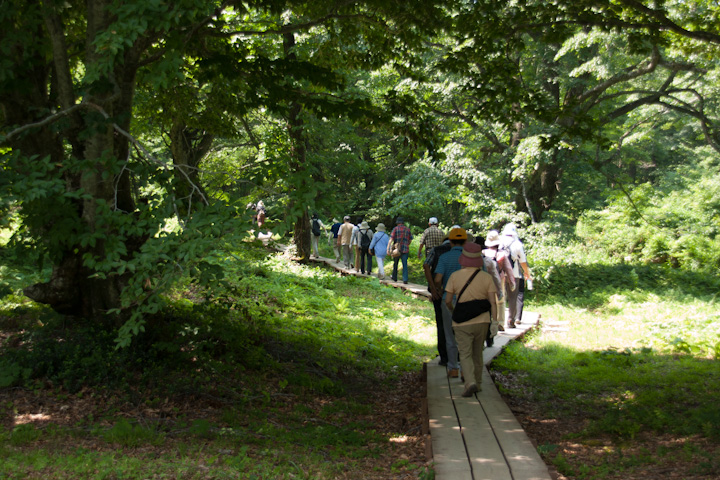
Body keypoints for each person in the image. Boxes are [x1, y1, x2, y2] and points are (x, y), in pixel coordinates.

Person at [444, 242, 498, 397]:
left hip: (462, 322)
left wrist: (453, 310)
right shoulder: (486, 277)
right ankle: (479, 383)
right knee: (477, 353)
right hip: (482, 321)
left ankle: (470, 382)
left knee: (465, 354)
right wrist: (495, 322)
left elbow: (448, 300)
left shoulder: (455, 276)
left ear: (463, 259)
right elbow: (493, 302)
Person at [433, 227, 468, 378]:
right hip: (468, 300)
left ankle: (453, 368)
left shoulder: (445, 257)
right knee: (466, 336)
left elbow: (438, 279)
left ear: (451, 241)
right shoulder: (471, 259)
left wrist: (439, 289)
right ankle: (467, 370)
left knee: (449, 334)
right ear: (465, 241)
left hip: (448, 299)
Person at [423, 229, 456, 367]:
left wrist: (433, 287)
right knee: (456, 324)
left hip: (439, 293)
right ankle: (456, 356)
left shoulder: (436, 250)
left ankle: (444, 357)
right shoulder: (459, 252)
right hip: (456, 293)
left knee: (441, 323)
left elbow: (426, 265)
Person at [483, 230, 516, 330]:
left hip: (485, 280)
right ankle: (500, 323)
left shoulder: (483, 253)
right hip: (500, 278)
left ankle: (489, 321)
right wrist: (512, 283)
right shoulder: (502, 254)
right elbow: (508, 269)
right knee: (501, 301)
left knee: (487, 300)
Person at [502, 223, 532, 327]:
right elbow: (523, 261)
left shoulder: (499, 242)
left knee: (499, 298)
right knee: (512, 297)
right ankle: (511, 320)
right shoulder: (517, 244)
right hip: (513, 274)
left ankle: (497, 321)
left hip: (499, 273)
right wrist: (527, 273)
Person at [388, 216, 413, 284]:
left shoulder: (395, 229)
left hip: (397, 249)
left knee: (395, 263)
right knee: (404, 264)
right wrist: (407, 244)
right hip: (405, 249)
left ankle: (394, 277)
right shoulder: (407, 229)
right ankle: (405, 279)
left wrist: (388, 248)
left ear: (397, 223)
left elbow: (391, 239)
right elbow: (410, 240)